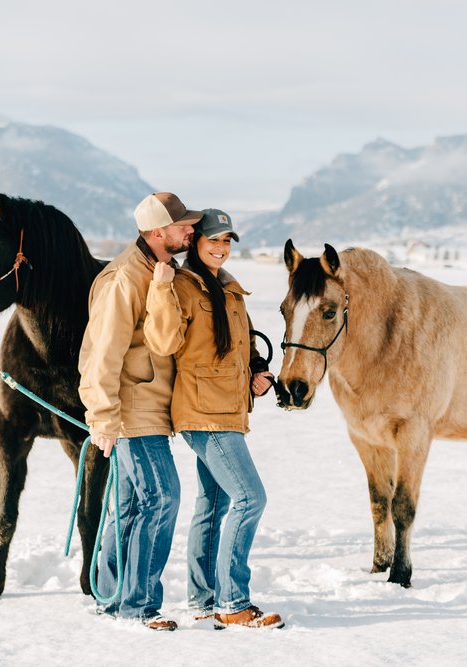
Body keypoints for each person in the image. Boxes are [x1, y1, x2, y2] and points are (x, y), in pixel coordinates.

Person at [144, 208, 284, 629]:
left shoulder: (230, 290)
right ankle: (232, 601)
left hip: (228, 408)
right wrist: (160, 288)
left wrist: (258, 372)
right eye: (214, 239)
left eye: (227, 241)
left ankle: (204, 600)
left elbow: (244, 347)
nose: (221, 247)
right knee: (250, 498)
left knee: (216, 503)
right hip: (203, 413)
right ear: (196, 242)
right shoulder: (183, 287)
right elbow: (164, 341)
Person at [78, 192, 201, 631]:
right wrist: (104, 416)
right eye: (182, 225)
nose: (190, 230)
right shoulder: (125, 278)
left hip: (148, 408)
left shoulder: (158, 270)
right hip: (133, 412)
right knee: (162, 497)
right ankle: (140, 605)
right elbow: (102, 354)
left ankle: (111, 597)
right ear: (157, 232)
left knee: (132, 506)